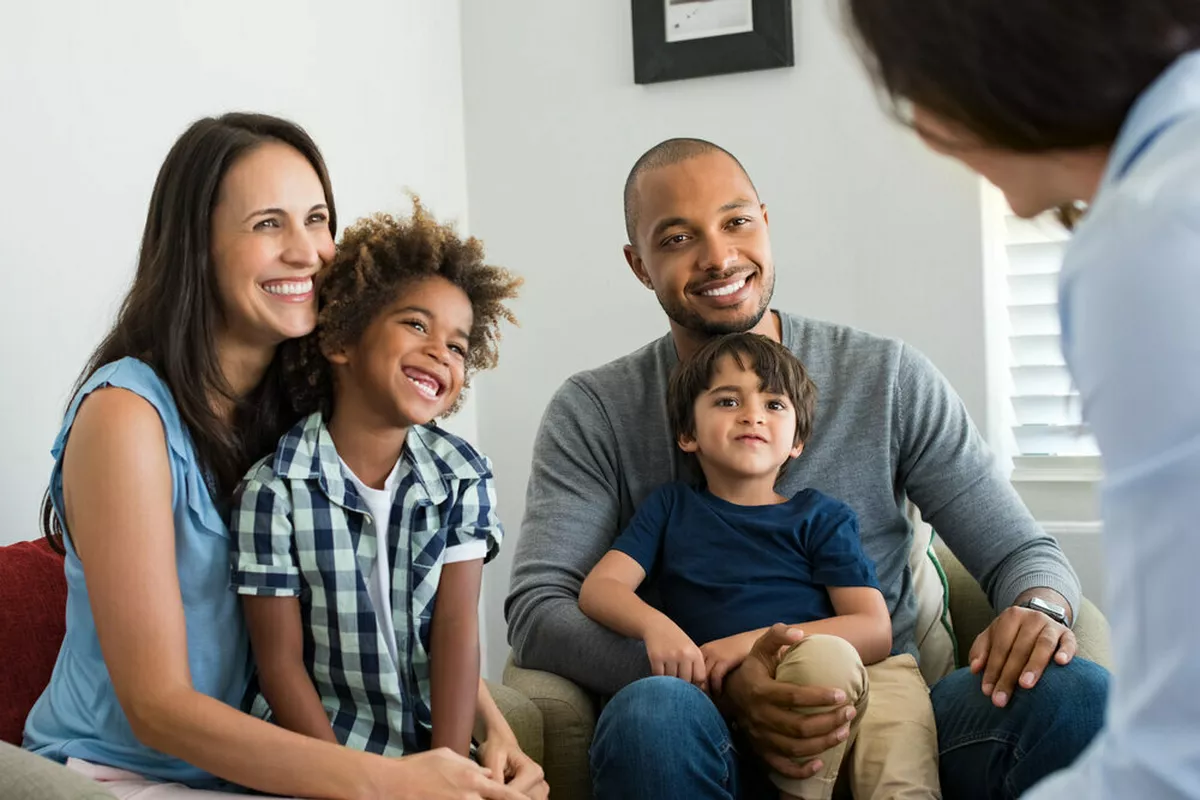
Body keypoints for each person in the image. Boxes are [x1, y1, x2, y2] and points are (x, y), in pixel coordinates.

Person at [505, 136, 1109, 799]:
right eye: (677, 239)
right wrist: (725, 682)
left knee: (1077, 694)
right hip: (700, 724)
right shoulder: (597, 411)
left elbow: (1020, 550)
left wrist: (1040, 608)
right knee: (652, 714)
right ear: (640, 265)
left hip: (880, 709)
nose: (718, 256)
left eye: (736, 222)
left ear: (765, 221)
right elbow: (540, 610)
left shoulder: (885, 377)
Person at [23, 113, 536, 800]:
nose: (309, 252)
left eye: (318, 219)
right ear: (196, 246)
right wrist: (388, 783)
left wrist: (489, 732)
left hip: (267, 773)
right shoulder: (125, 417)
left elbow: (390, 610)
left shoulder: (311, 411)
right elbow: (156, 707)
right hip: (121, 774)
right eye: (269, 224)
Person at [842, 2, 1200, 797]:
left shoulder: (1146, 243)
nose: (925, 132)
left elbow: (1176, 751)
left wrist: (1040, 604)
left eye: (911, 90)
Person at [229, 202, 546, 799]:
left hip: (431, 753)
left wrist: (451, 772)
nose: (440, 353)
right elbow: (279, 666)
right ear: (342, 339)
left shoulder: (462, 476)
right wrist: (345, 782)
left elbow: (455, 634)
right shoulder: (271, 492)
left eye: (458, 345)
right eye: (417, 326)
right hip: (317, 756)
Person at [579, 332, 939, 800]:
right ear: (687, 434)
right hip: (725, 723)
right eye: (728, 401)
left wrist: (745, 645)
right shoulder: (670, 508)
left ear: (797, 442)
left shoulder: (820, 516)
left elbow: (873, 629)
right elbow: (600, 588)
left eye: (774, 405)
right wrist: (656, 627)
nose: (752, 414)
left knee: (845, 681)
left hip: (836, 682)